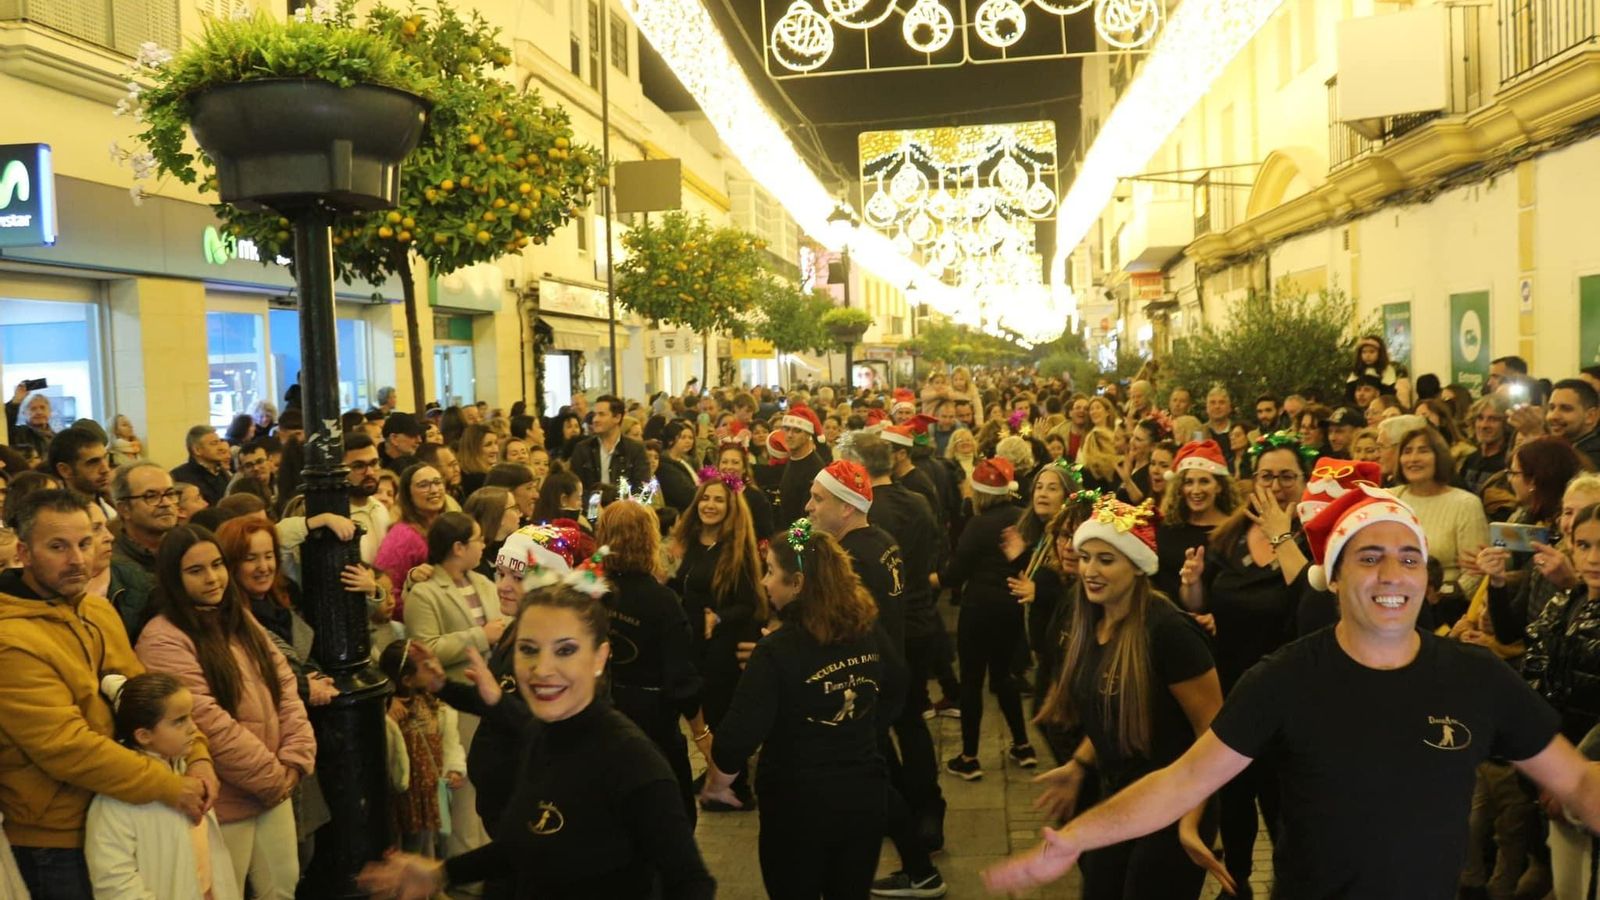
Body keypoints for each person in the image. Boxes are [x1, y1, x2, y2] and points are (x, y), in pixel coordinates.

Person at [984, 482, 1600, 899]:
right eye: (1369, 558)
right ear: (1333, 578)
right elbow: (1183, 780)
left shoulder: (1476, 677)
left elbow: (1575, 779)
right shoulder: (1283, 680)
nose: (1393, 575)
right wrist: (1074, 838)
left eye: (1409, 559)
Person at [357, 581, 716, 899]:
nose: (542, 669)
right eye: (528, 649)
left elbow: (692, 883)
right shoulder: (541, 735)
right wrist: (440, 873)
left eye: (565, 650)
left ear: (599, 657)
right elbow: (523, 845)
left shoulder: (634, 763)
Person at [0, 489, 217, 900]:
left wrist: (199, 756)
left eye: (84, 543)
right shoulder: (10, 638)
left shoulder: (96, 611)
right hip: (56, 836)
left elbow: (150, 699)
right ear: (24, 553)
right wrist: (171, 787)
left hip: (127, 808)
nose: (78, 560)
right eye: (58, 547)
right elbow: (65, 746)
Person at [1030, 495, 1226, 900]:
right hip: (1120, 796)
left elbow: (1218, 736)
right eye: (1085, 557)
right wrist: (1079, 764)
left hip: (1174, 803)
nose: (1090, 570)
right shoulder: (1091, 621)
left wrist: (1191, 822)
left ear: (1137, 566)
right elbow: (1111, 709)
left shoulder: (1168, 631)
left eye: (1106, 559)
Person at [701, 522, 906, 900]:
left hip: (798, 804)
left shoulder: (777, 651)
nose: (764, 582)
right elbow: (896, 688)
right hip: (863, 795)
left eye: (771, 572)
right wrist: (859, 727)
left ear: (797, 584)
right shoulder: (867, 628)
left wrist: (718, 784)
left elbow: (734, 740)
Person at [136, 524, 314, 900]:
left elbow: (284, 686)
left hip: (275, 787)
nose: (213, 578)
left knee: (282, 888)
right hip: (224, 800)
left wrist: (296, 756)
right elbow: (206, 722)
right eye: (196, 570)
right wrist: (273, 776)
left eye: (217, 565)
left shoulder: (239, 617)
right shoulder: (163, 637)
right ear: (173, 576)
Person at [1177, 432, 1315, 897]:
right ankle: (1236, 886)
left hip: (1291, 699)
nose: (1276, 486)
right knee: (1235, 804)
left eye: (1286, 477)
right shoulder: (1230, 535)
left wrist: (1282, 531)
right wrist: (1193, 586)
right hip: (1233, 690)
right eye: (1266, 476)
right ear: (1252, 481)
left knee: (1285, 810)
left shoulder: (1315, 538)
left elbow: (1310, 603)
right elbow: (1201, 604)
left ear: (1304, 481)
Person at [403, 510, 505, 863]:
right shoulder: (426, 593)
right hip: (455, 701)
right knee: (464, 791)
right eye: (477, 539)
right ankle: (465, 866)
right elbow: (425, 647)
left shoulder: (484, 583)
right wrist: (480, 635)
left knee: (492, 782)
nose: (482, 545)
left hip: (490, 697)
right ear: (458, 547)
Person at [85, 672, 240, 900]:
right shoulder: (114, 802)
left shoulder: (187, 773)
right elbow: (114, 882)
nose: (192, 729)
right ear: (144, 735)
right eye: (179, 721)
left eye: (190, 717)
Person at [595, 501, 704, 822]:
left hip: (603, 715)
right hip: (654, 724)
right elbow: (680, 677)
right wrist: (702, 732)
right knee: (669, 812)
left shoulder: (589, 593)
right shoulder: (663, 602)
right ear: (649, 540)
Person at [669, 473, 766, 810]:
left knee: (723, 716)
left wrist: (718, 617)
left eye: (718, 500)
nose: (710, 505)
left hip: (724, 645)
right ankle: (716, 770)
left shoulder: (736, 549)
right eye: (706, 499)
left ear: (731, 507)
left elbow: (751, 604)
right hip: (695, 641)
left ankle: (736, 785)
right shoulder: (693, 543)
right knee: (705, 713)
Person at [941, 457, 1037, 779]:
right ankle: (1023, 746)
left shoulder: (978, 525)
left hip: (979, 610)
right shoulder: (1022, 517)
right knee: (1003, 676)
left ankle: (969, 757)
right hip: (1011, 607)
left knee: (971, 681)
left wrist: (935, 579)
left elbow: (956, 572)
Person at [378, 640, 467, 858]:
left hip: (436, 788)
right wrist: (387, 720)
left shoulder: (432, 702)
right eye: (425, 668)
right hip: (407, 795)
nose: (433, 670)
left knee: (437, 840)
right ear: (407, 680)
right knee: (410, 846)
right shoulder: (388, 711)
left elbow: (448, 739)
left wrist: (454, 768)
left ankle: (434, 885)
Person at [1391, 425, 1490, 591]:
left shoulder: (1466, 504)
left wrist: (1441, 598)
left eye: (1423, 451)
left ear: (1439, 457)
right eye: (1407, 451)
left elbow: (1475, 573)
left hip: (1444, 603)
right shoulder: (1391, 499)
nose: (1413, 458)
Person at [374, 464, 449, 622]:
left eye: (437, 482)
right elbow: (387, 592)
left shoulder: (447, 526)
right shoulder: (402, 536)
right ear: (408, 494)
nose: (434, 490)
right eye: (424, 485)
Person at [567, 395, 650, 494]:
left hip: (624, 507)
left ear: (617, 418)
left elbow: (642, 490)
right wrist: (594, 505)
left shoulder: (635, 450)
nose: (595, 419)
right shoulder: (582, 449)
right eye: (595, 414)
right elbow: (574, 489)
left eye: (601, 414)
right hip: (591, 508)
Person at [779, 405, 828, 525]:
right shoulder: (792, 459)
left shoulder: (815, 469)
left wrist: (794, 542)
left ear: (807, 435)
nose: (790, 435)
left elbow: (810, 518)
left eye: (797, 430)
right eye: (787, 429)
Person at [171, 425, 233, 507]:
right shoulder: (178, 477)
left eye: (219, 442)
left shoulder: (224, 473)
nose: (221, 448)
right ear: (197, 450)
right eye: (214, 444)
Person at [1346, 334, 1411, 406]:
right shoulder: (1357, 370)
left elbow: (1388, 394)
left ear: (1380, 353)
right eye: (1364, 352)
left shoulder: (1387, 369)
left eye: (1372, 352)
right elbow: (1349, 394)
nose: (1367, 355)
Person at [657, 420, 701, 513]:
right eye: (683, 437)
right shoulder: (665, 465)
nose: (688, 441)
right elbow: (686, 495)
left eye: (691, 437)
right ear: (671, 441)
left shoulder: (687, 461)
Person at [6, 384, 54, 460]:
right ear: (24, 413)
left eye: (42, 407)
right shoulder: (18, 434)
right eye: (33, 409)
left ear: (50, 412)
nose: (39, 412)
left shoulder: (57, 438)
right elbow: (4, 424)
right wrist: (15, 402)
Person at [456, 423, 501, 497]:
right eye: (488, 445)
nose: (496, 450)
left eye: (496, 443)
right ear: (473, 449)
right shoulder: (479, 480)